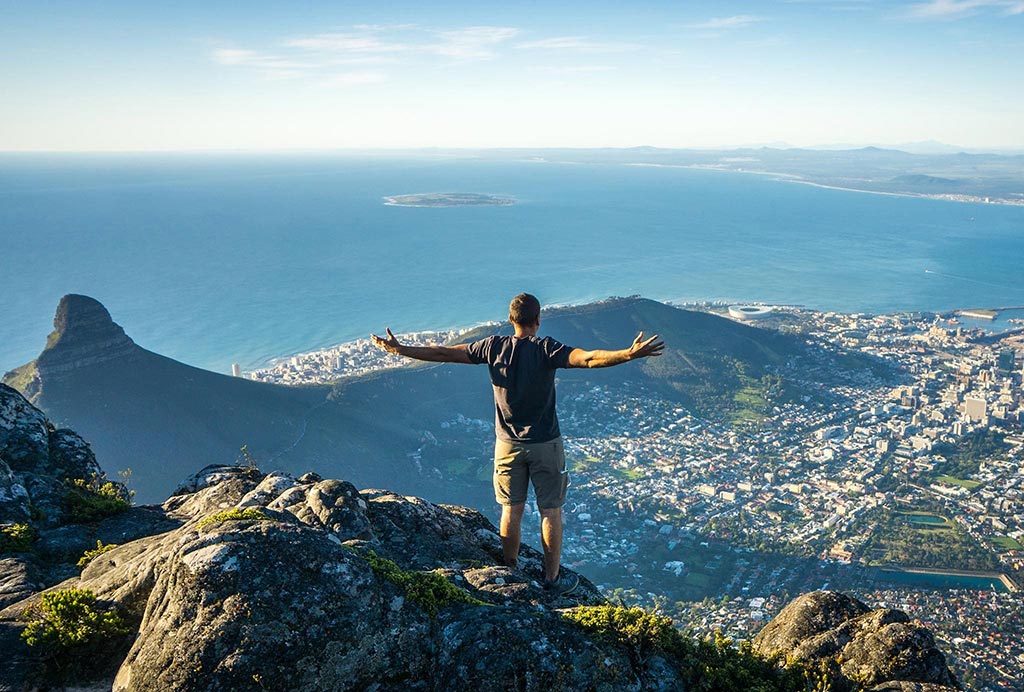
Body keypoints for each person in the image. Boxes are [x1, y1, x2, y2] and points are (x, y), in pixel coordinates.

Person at [371, 293, 664, 596]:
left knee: (511, 508)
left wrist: (401, 349)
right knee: (550, 510)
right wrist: (627, 354)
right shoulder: (547, 349)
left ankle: (509, 569)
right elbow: (588, 358)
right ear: (538, 319)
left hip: (507, 444)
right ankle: (552, 580)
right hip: (546, 444)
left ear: (511, 319)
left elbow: (444, 353)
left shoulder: (493, 347)